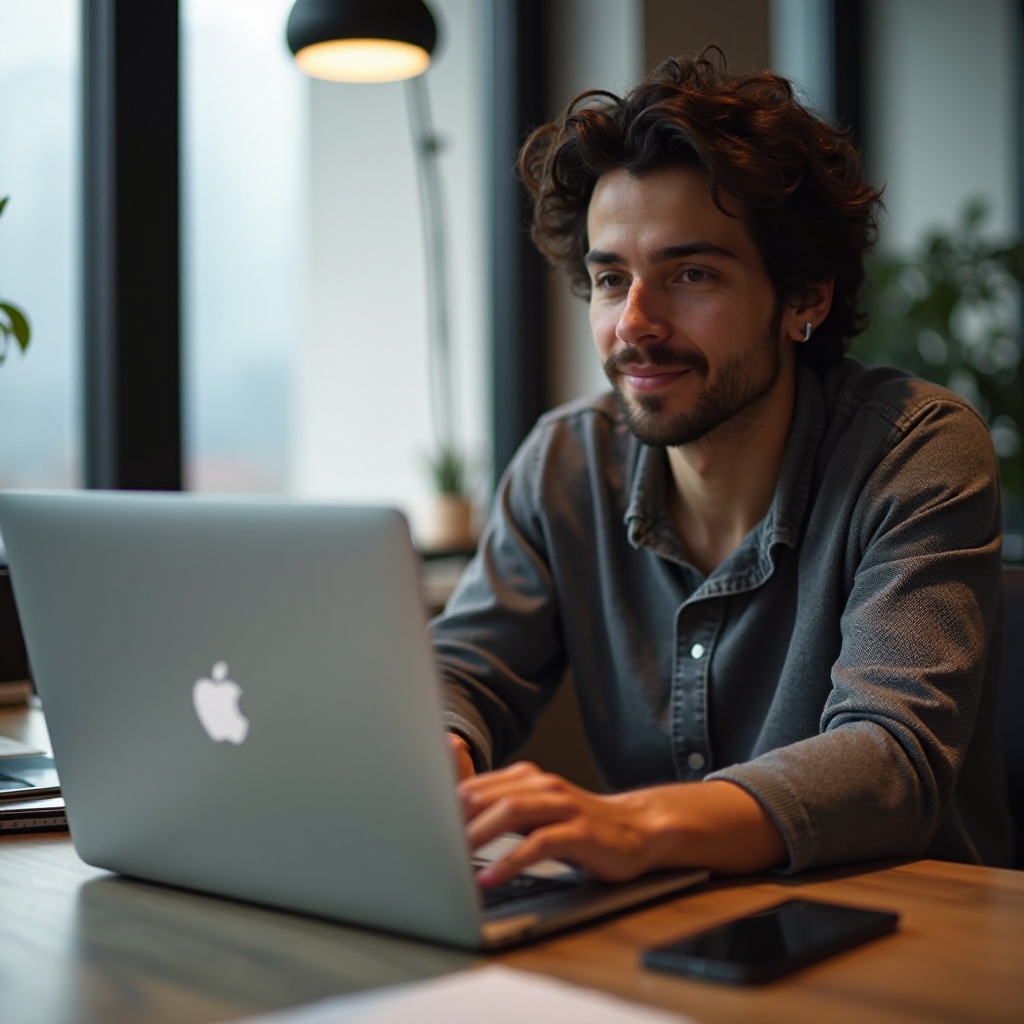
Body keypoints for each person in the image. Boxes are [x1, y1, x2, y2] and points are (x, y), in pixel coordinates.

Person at [431, 51, 1012, 887]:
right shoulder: (566, 460)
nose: (635, 324)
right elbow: (464, 671)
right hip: (672, 927)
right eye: (610, 278)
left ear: (805, 298)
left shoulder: (914, 450)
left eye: (690, 274)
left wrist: (633, 823)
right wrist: (437, 750)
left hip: (903, 937)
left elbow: (891, 759)